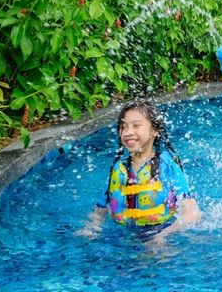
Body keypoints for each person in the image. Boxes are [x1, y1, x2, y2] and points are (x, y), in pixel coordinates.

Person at [80, 101, 201, 242]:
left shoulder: (167, 166)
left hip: (161, 230)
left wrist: (163, 235)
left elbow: (192, 213)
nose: (127, 132)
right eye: (123, 127)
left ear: (155, 130)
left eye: (136, 126)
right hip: (121, 234)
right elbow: (101, 209)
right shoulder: (118, 168)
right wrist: (91, 227)